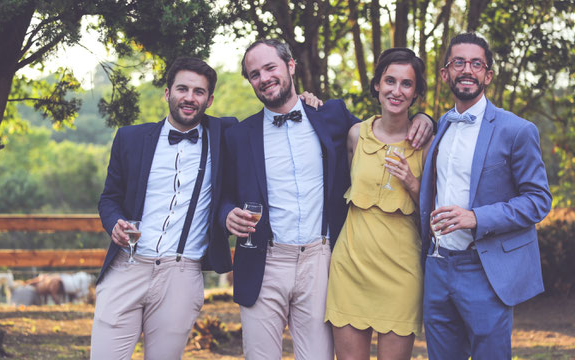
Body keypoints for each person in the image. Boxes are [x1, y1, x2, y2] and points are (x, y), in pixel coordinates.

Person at [219, 39, 434, 359]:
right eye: (254, 74)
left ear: (290, 66)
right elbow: (223, 195)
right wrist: (227, 214)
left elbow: (386, 127)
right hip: (265, 260)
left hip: (321, 261)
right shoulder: (238, 134)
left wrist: (425, 118)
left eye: (270, 68)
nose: (263, 78)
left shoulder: (331, 116)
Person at [91, 57, 236, 359]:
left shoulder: (226, 136)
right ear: (167, 93)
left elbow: (270, 115)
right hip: (127, 268)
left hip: (181, 276)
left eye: (199, 92)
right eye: (182, 89)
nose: (189, 97)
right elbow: (109, 199)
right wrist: (115, 222)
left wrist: (303, 100)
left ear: (209, 100)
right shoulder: (130, 138)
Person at [419, 32, 552, 359]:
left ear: (488, 75)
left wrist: (477, 217)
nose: (467, 70)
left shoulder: (516, 130)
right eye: (459, 62)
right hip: (437, 268)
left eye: (476, 64)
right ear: (445, 73)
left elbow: (538, 200)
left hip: (484, 269)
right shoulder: (441, 127)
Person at [325, 48, 432, 360]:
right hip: (351, 267)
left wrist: (412, 183)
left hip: (402, 272)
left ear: (415, 93)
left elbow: (434, 209)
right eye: (390, 81)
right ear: (377, 85)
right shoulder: (356, 135)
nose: (396, 91)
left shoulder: (427, 144)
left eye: (406, 84)